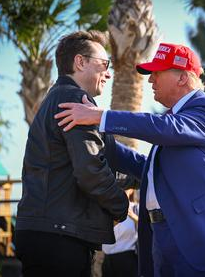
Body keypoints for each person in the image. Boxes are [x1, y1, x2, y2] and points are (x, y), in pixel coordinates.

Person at [55, 43, 205, 277]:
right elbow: (146, 168)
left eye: (157, 72)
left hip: (196, 237)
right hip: (161, 236)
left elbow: (168, 129)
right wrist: (99, 136)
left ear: (182, 77)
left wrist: (101, 117)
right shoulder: (171, 122)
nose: (151, 80)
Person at [15, 30, 128, 277]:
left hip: (46, 232)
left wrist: (140, 175)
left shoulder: (55, 97)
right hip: (59, 238)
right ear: (80, 62)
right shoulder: (75, 101)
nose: (108, 73)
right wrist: (121, 206)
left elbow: (83, 163)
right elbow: (90, 171)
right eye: (104, 64)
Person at [102, 189, 139, 277]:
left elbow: (147, 229)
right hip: (107, 261)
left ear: (131, 190)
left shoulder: (136, 208)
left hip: (128, 259)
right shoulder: (104, 209)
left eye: (125, 187)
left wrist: (134, 217)